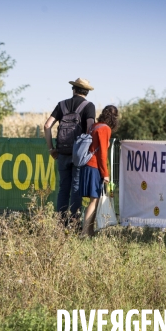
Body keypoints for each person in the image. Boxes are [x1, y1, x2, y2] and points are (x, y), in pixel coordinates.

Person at [44, 78, 96, 225]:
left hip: (61, 152)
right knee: (76, 188)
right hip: (78, 154)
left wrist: (51, 149)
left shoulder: (62, 105)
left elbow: (47, 125)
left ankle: (61, 223)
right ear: (86, 92)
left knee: (63, 188)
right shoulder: (89, 106)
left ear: (73, 89)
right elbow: (90, 128)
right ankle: (74, 224)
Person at [80, 105, 119, 236]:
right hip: (95, 166)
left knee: (94, 200)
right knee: (94, 200)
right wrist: (105, 174)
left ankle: (90, 231)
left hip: (87, 165)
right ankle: (85, 232)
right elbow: (102, 154)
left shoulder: (94, 126)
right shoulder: (105, 129)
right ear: (114, 117)